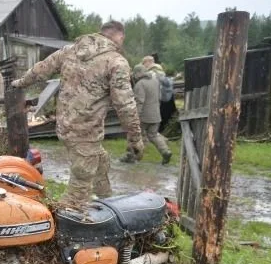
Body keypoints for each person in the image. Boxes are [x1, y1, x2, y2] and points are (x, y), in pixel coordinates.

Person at [11, 21, 142, 205]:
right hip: (86, 134)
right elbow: (125, 105)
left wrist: (20, 82)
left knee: (101, 160)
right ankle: (59, 225)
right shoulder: (116, 62)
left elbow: (42, 69)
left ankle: (107, 202)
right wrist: (135, 138)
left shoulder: (70, 51)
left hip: (65, 127)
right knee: (76, 195)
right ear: (120, 36)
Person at [122, 64, 172, 165]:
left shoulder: (140, 84)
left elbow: (140, 101)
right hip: (156, 114)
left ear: (139, 73)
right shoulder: (155, 81)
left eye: (135, 74)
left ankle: (132, 156)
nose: (134, 76)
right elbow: (159, 97)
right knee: (153, 135)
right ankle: (165, 151)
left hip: (144, 116)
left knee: (135, 136)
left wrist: (136, 116)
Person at [142, 55, 177, 132]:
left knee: (161, 115)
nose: (143, 64)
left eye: (144, 62)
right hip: (168, 95)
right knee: (169, 114)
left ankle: (161, 131)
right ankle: (170, 130)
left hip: (160, 96)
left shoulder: (152, 71)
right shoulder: (158, 68)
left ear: (147, 62)